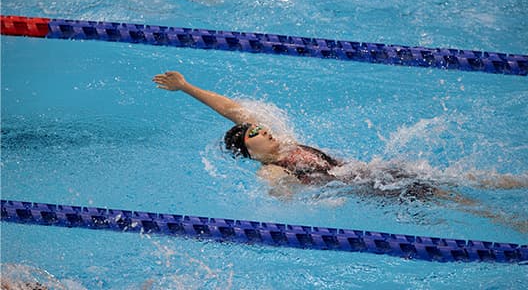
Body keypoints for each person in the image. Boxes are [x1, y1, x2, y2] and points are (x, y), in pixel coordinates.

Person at [152, 71, 527, 201]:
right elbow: (280, 198)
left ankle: (517, 184)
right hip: (366, 189)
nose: (260, 127)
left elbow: (232, 109)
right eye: (253, 133)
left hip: (373, 172)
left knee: (455, 178)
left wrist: (186, 87)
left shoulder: (284, 140)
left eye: (258, 126)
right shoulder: (272, 168)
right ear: (249, 151)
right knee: (442, 196)